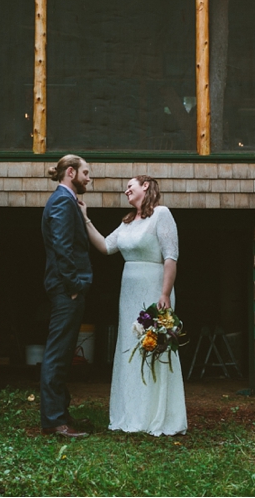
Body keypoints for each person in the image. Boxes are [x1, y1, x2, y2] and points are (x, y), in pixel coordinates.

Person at [80, 175, 187, 436]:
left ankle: (156, 415)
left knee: (155, 347)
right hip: (128, 292)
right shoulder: (128, 221)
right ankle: (132, 412)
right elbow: (106, 246)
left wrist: (165, 293)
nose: (126, 189)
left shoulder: (161, 214)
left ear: (146, 186)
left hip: (153, 289)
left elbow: (171, 257)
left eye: (131, 185)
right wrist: (85, 219)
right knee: (130, 344)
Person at [40, 154, 93, 438]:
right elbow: (62, 246)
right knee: (57, 354)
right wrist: (73, 285)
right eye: (86, 173)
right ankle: (54, 421)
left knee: (62, 352)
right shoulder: (61, 200)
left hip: (66, 288)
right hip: (65, 289)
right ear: (70, 172)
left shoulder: (68, 201)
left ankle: (60, 414)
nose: (89, 178)